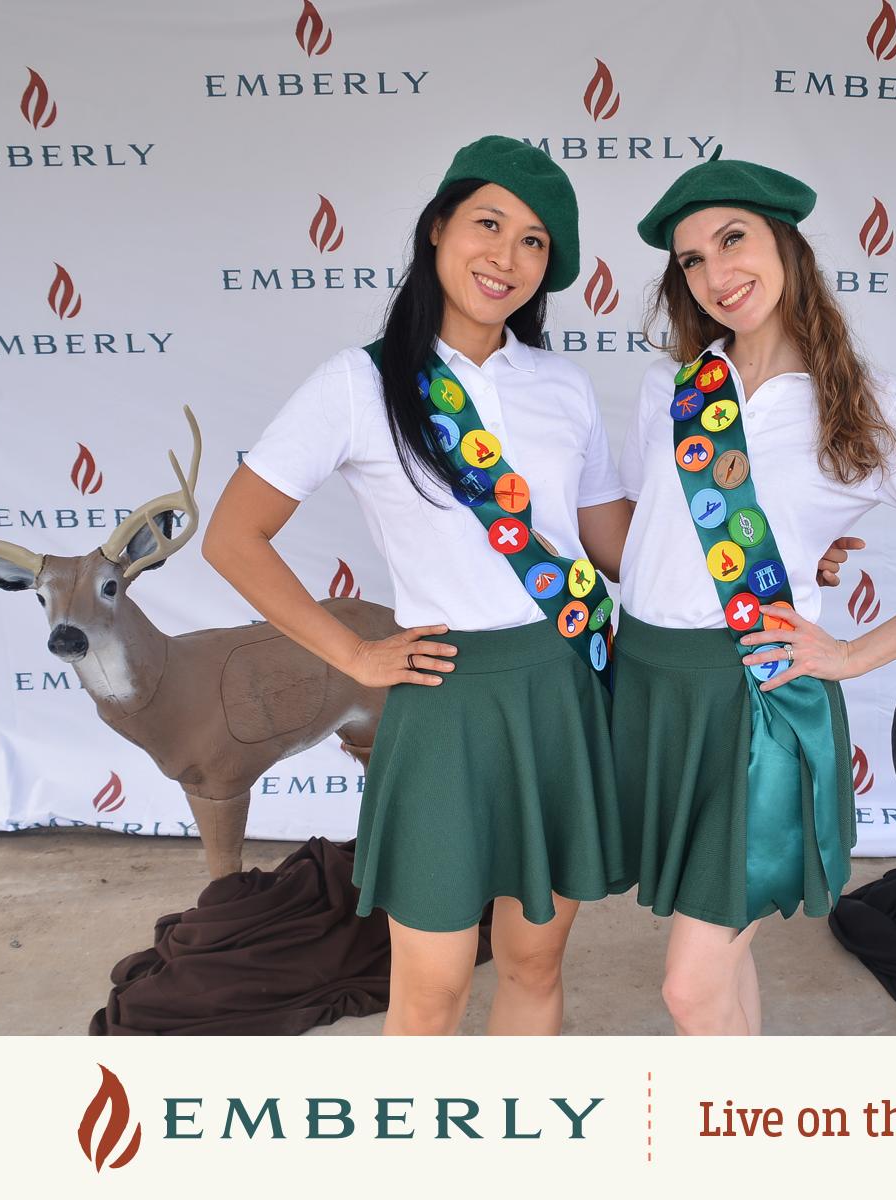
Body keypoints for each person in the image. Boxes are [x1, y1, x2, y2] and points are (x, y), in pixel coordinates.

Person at [202, 136, 634, 1035]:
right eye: (488, 224)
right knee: (431, 986)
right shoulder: (359, 384)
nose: (506, 257)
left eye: (534, 243)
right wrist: (353, 653)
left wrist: (768, 560)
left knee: (534, 963)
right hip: (445, 700)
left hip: (562, 690)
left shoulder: (564, 386)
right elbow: (233, 536)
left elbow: (615, 544)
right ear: (437, 228)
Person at [613, 152, 896, 1034]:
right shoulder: (672, 389)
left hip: (751, 700)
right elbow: (656, 540)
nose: (717, 274)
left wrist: (850, 653)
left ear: (787, 248)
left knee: (690, 982)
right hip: (649, 687)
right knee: (722, 958)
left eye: (733, 240)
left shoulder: (868, 403)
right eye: (691, 260)